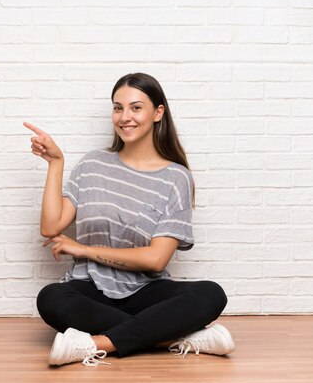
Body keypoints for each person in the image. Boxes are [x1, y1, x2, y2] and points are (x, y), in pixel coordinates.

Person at [24, 72, 235, 367]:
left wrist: (83, 249)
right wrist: (55, 163)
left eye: (136, 107)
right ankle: (175, 338)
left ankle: (95, 344)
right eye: (118, 107)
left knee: (211, 294)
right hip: (91, 288)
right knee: (51, 298)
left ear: (157, 113)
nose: (125, 117)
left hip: (145, 290)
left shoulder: (176, 177)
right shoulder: (92, 164)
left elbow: (156, 260)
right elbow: (50, 226)